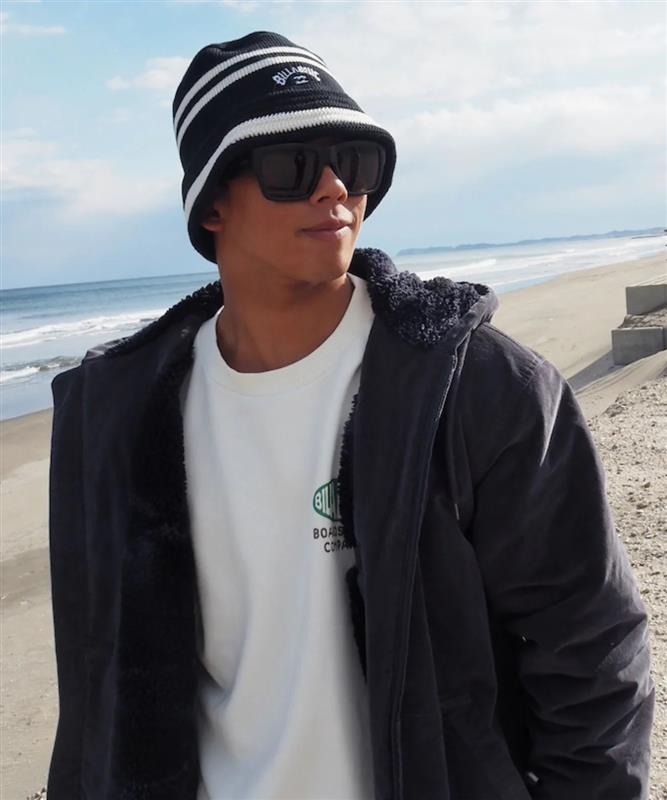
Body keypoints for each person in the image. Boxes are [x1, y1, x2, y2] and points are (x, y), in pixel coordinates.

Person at [46, 31, 654, 800]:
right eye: (290, 166)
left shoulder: (476, 386)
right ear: (211, 205)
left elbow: (592, 648)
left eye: (354, 162)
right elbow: (96, 687)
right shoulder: (113, 419)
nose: (333, 187)